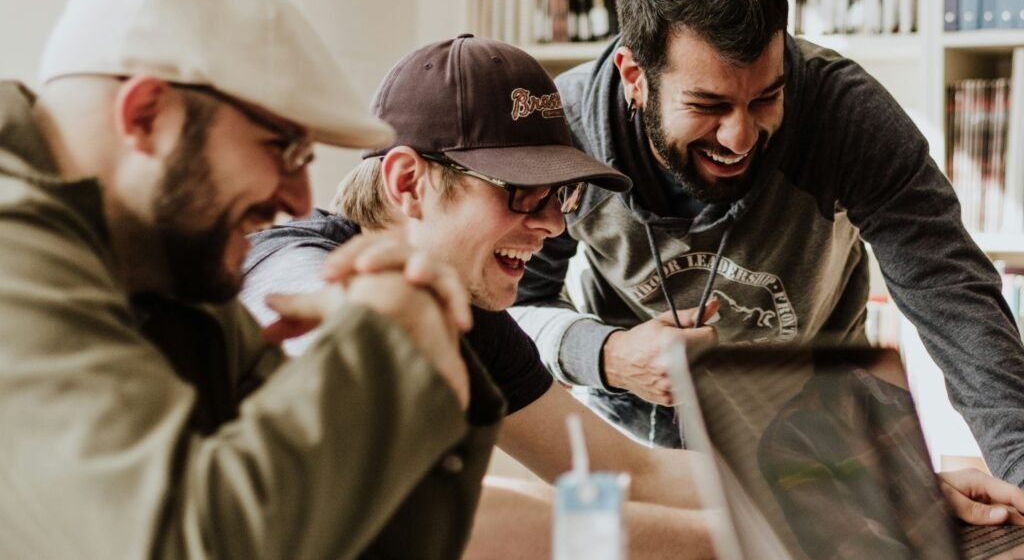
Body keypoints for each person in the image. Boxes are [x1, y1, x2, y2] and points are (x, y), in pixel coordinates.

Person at [241, 35, 1024, 559]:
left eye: (560, 197)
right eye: (521, 194)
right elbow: (454, 515)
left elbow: (622, 470)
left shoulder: (472, 315)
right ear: (409, 182)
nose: (551, 227)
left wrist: (881, 488)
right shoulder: (294, 267)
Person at [0, 0, 505, 559]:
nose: (298, 202)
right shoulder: (14, 249)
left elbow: (356, 540)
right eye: (282, 148)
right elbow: (187, 545)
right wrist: (386, 341)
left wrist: (429, 348)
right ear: (146, 115)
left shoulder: (174, 270)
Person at [511, 0, 1024, 486]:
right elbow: (511, 307)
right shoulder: (563, 133)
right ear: (635, 76)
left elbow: (954, 296)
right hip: (634, 454)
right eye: (708, 106)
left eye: (765, 97)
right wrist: (606, 356)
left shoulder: (846, 117)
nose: (740, 136)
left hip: (821, 449)